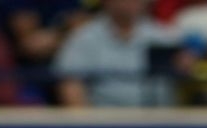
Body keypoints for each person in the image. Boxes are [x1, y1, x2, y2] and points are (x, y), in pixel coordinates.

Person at [54, 0, 182, 107]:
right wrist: (87, 126)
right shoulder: (83, 38)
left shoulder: (163, 36)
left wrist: (183, 68)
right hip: (101, 124)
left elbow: (180, 77)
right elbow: (70, 85)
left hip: (158, 124)